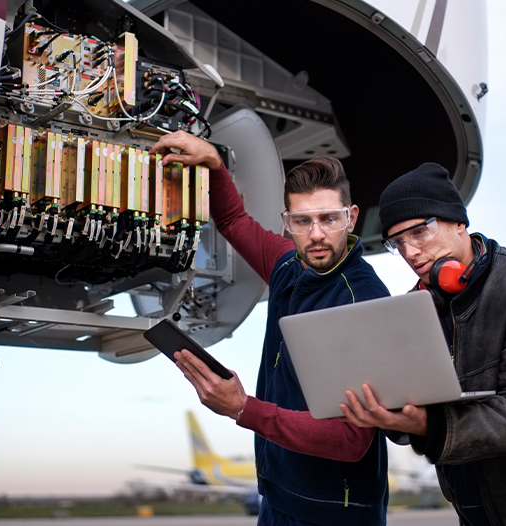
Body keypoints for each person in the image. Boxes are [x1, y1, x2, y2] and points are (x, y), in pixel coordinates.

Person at [340, 163, 506, 526]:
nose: (411, 252)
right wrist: (389, 414)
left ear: (459, 222)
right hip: (475, 514)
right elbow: (414, 415)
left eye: (420, 232)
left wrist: (429, 426)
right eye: (397, 243)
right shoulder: (413, 310)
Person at [148, 132, 391, 525]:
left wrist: (244, 408)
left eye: (329, 219)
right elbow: (232, 220)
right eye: (302, 221)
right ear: (287, 222)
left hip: (333, 511)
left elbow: (351, 440)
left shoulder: (363, 301)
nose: (315, 235)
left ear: (352, 217)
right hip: (277, 495)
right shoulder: (287, 265)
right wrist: (214, 164)